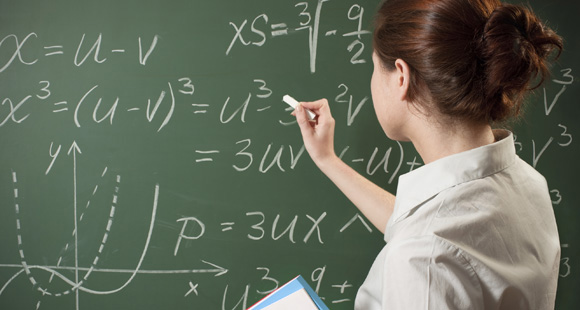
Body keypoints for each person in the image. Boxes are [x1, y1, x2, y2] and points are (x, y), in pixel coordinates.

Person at [291, 0, 563, 309]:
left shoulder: (422, 257)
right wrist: (328, 160)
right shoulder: (525, 182)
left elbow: (428, 240)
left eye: (374, 67)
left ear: (401, 77)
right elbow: (424, 222)